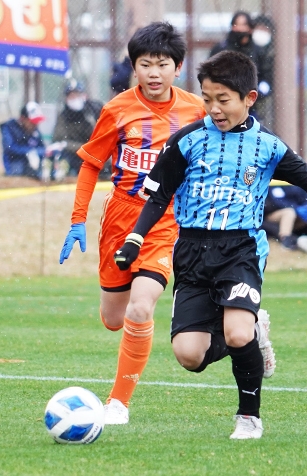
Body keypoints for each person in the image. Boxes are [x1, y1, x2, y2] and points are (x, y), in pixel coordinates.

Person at [113, 50, 307, 439]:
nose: (213, 108)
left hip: (240, 251)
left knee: (236, 333)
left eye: (223, 100)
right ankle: (252, 332)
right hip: (192, 253)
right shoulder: (186, 141)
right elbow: (158, 197)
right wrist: (134, 239)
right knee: (189, 356)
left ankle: (249, 416)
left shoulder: (268, 146)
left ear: (249, 98)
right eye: (207, 98)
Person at [58, 22, 208, 425]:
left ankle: (118, 403)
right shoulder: (117, 109)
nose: (154, 73)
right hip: (120, 218)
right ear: (134, 67)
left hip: (167, 222)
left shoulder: (198, 110)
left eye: (162, 64)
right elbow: (91, 165)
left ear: (178, 67)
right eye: (145, 65)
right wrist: (78, 221)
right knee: (114, 319)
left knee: (141, 309)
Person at [209, 11, 272, 122]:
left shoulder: (258, 51)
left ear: (250, 28)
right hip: (224, 105)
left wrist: (260, 92)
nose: (239, 29)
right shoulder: (221, 49)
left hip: (250, 106)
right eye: (236, 25)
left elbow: (266, 76)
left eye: (243, 25)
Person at [50, 79, 104, 180]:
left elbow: (101, 139)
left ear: (84, 96)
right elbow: (59, 140)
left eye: (77, 95)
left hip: (93, 153)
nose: (75, 99)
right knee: (61, 159)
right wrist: (73, 146)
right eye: (71, 96)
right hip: (73, 154)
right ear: (66, 98)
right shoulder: (64, 116)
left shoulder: (93, 111)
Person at [0, 101, 46, 179]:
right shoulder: (10, 127)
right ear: (23, 119)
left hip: (32, 164)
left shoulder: (35, 131)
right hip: (14, 163)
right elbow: (9, 147)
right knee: (18, 171)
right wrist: (28, 152)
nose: (35, 125)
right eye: (32, 122)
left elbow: (42, 147)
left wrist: (40, 152)